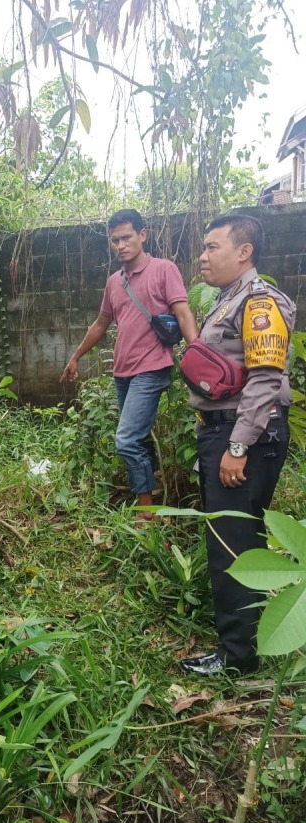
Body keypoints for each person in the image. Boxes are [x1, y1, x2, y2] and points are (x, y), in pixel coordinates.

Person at [178, 213, 295, 676]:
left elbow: (266, 379)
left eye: (212, 247)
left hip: (245, 434)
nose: (203, 257)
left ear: (243, 252)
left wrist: (238, 446)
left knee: (231, 546)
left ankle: (236, 658)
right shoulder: (229, 299)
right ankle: (244, 645)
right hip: (225, 430)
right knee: (239, 540)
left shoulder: (260, 302)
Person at [60, 209, 197, 519]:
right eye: (115, 240)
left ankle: (146, 511)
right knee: (140, 435)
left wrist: (197, 351)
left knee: (126, 439)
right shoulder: (114, 282)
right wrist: (76, 356)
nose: (120, 245)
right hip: (122, 370)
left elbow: (183, 312)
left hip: (152, 366)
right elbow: (100, 323)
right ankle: (155, 486)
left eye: (126, 238)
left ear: (143, 235)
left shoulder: (164, 270)